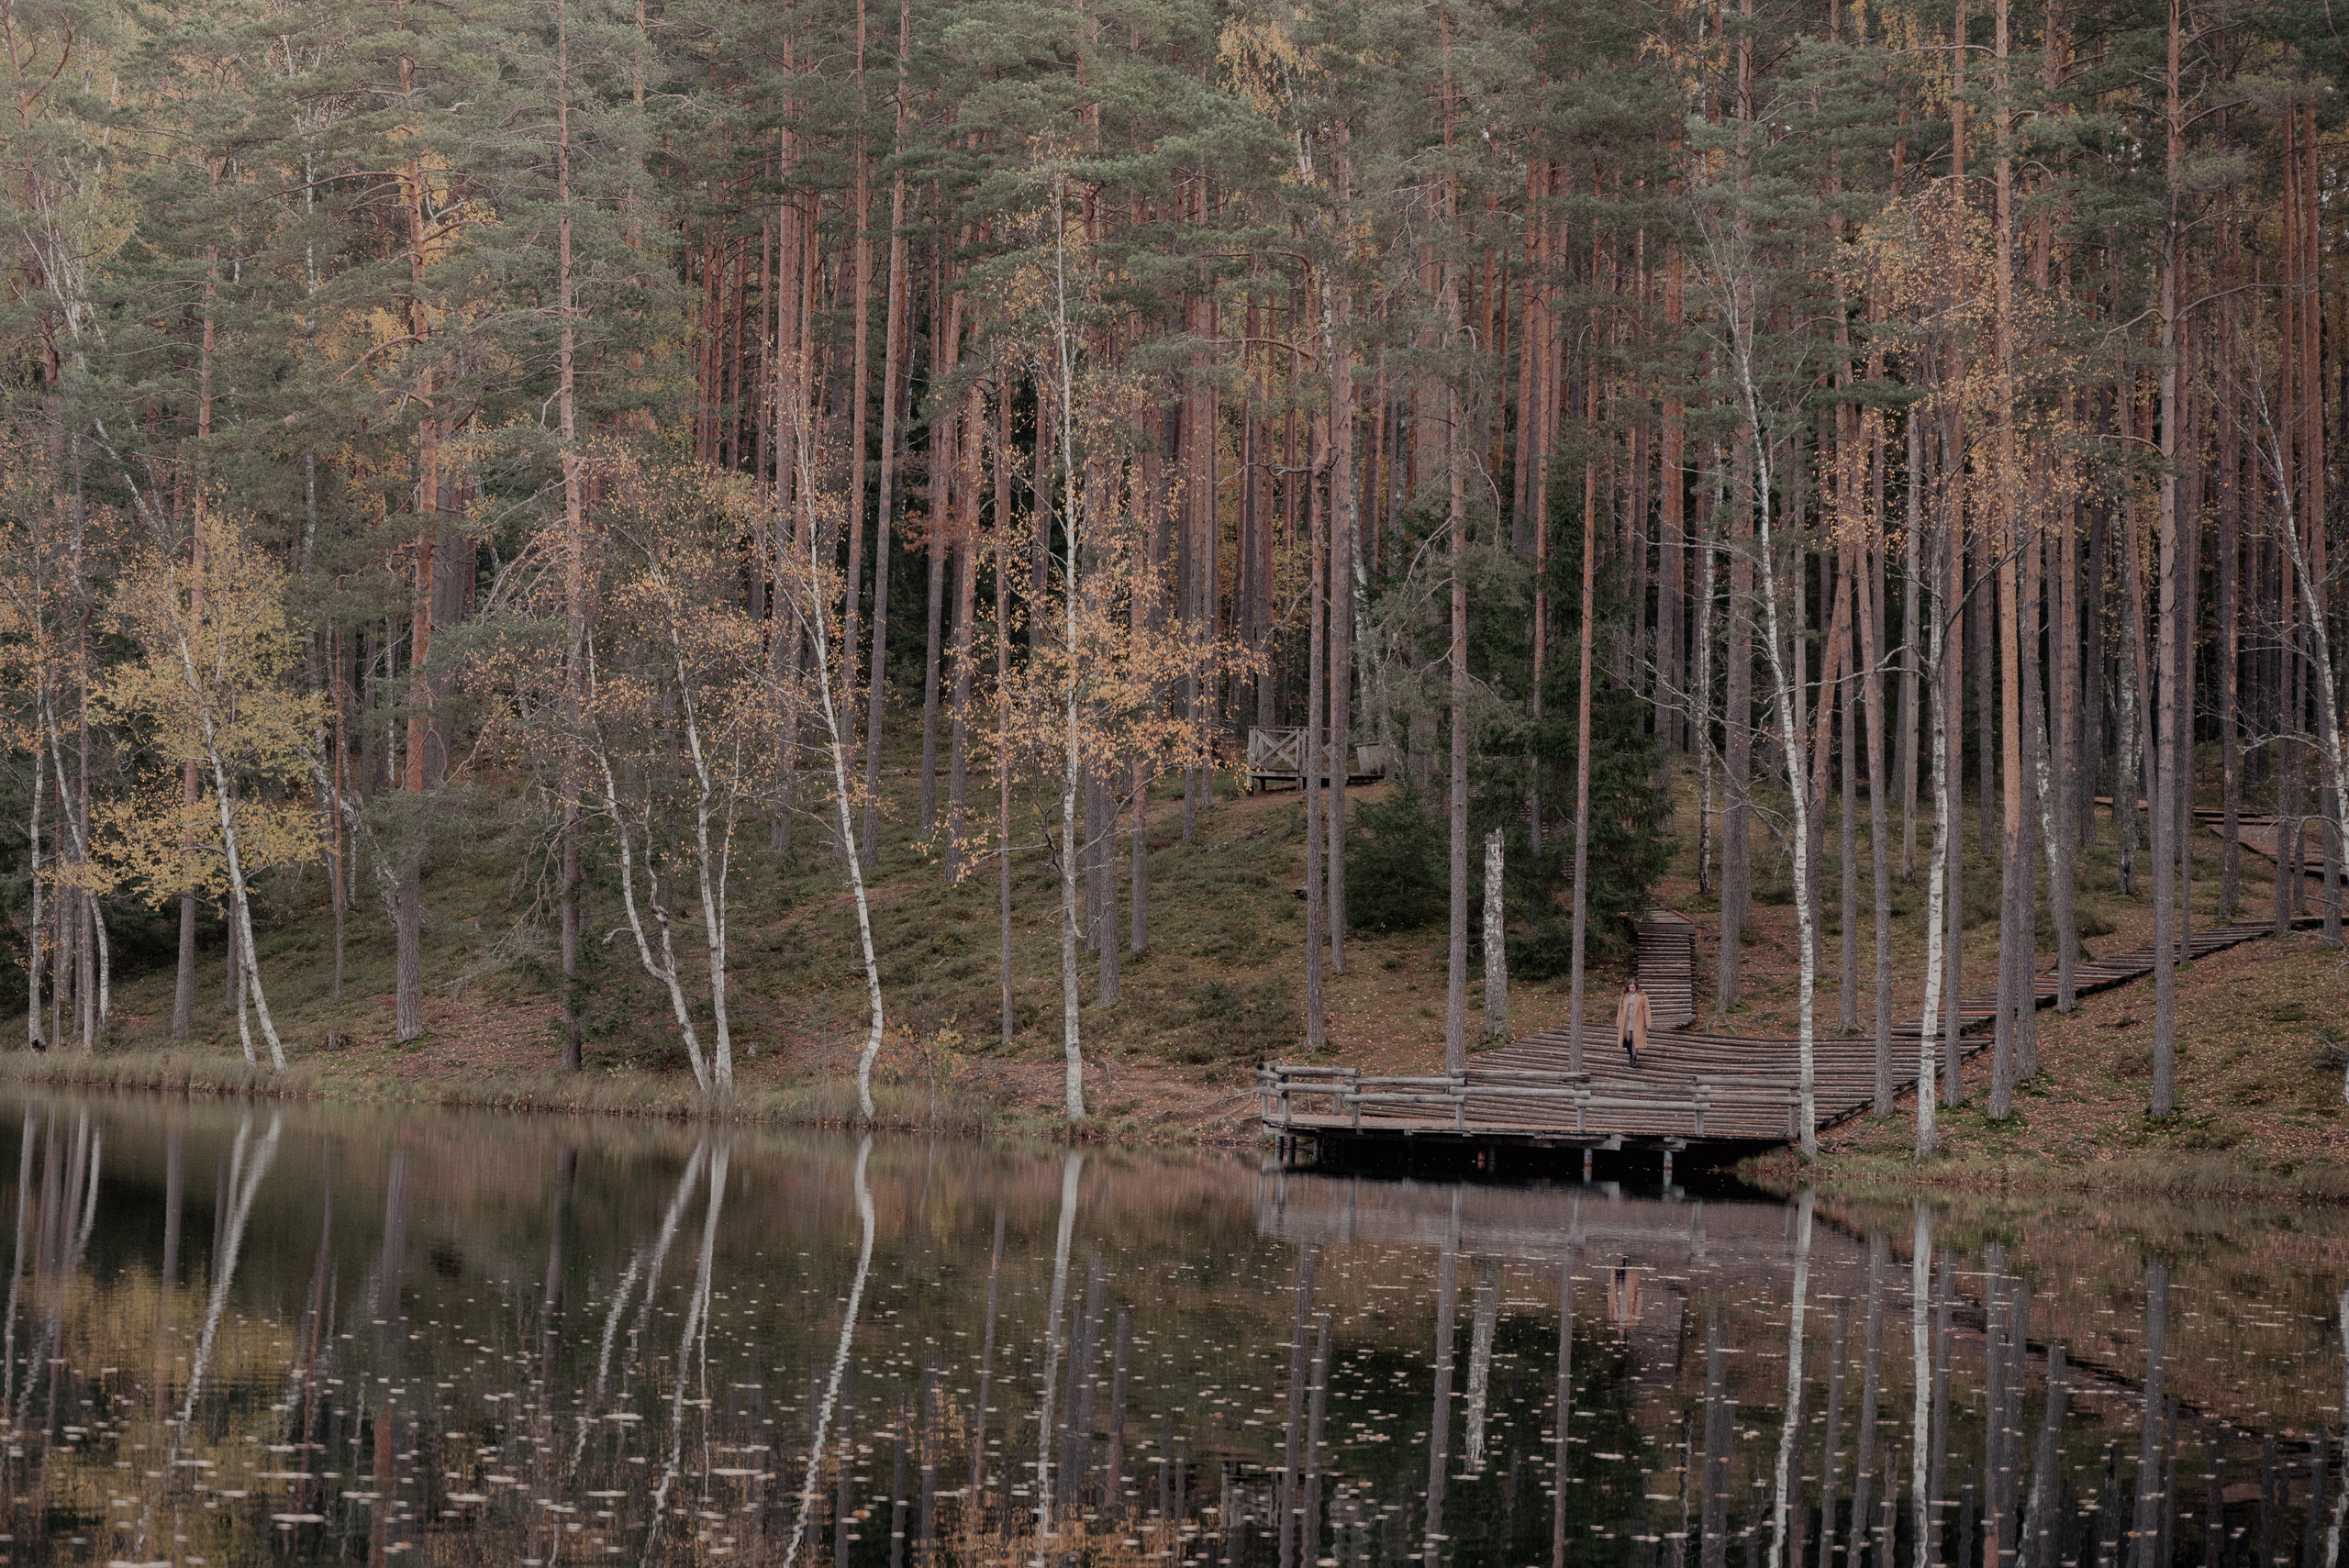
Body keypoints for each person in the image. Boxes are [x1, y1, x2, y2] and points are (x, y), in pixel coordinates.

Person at [1615, 976, 1651, 1070]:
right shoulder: (1625, 996)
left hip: (1638, 1021)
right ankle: (1631, 1055)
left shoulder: (1642, 996)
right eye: (1630, 988)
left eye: (1633, 988)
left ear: (1636, 987)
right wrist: (1618, 1021)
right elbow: (1620, 1009)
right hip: (1626, 1020)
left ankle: (1633, 1060)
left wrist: (1648, 1022)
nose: (1631, 989)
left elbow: (1646, 1009)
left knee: (1635, 1041)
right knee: (1627, 1039)